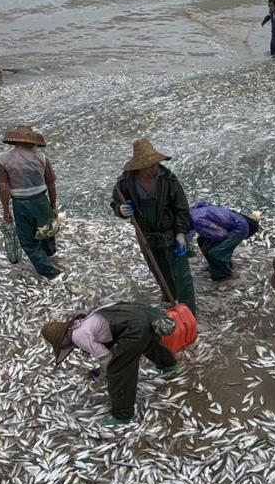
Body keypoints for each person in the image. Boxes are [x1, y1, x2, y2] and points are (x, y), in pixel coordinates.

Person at [42, 303, 181, 425]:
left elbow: (108, 359)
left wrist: (103, 374)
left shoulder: (78, 336)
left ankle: (123, 415)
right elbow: (109, 335)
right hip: (141, 314)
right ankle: (169, 365)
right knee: (148, 341)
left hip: (133, 327)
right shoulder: (82, 323)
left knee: (119, 370)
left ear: (62, 341)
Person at [111, 138, 197, 316]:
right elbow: (115, 202)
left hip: (170, 233)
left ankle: (188, 312)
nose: (155, 167)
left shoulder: (168, 180)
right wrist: (121, 210)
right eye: (150, 165)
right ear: (139, 167)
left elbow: (181, 208)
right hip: (146, 235)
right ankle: (171, 300)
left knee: (181, 274)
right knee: (160, 270)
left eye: (156, 163)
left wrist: (181, 233)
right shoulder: (125, 183)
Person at [0, 124, 62, 279]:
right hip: (41, 201)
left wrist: (6, 211)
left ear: (14, 141)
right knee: (47, 231)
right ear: (32, 142)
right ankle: (51, 256)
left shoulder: (2, 159)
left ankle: (51, 273)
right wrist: (53, 207)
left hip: (20, 203)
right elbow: (51, 184)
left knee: (28, 243)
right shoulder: (42, 158)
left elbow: (3, 187)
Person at [188, 201, 259, 282]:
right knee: (202, 241)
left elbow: (222, 234)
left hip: (239, 228)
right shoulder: (193, 211)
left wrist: (209, 243)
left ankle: (225, 276)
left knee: (215, 253)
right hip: (231, 225)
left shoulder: (197, 220)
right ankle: (220, 266)